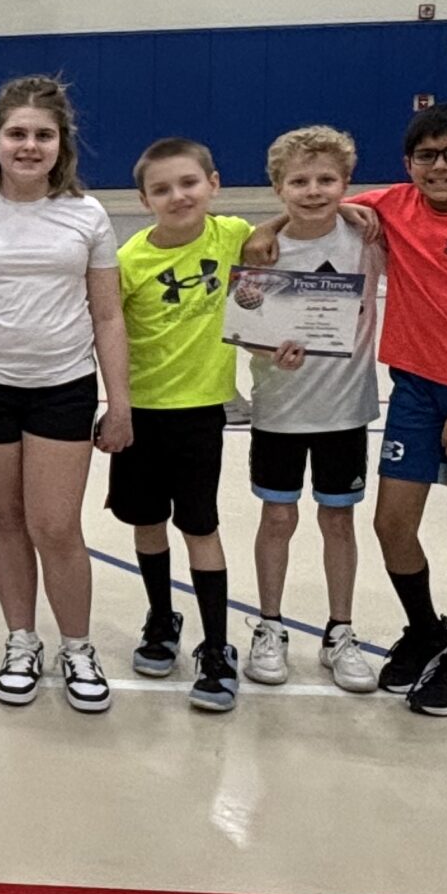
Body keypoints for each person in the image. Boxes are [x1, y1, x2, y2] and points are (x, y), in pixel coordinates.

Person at [247, 105, 447, 717]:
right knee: (391, 524)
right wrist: (265, 228)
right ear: (408, 164)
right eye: (427, 156)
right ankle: (427, 632)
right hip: (415, 392)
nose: (441, 167)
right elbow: (313, 200)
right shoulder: (391, 208)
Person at [0, 77, 127, 714]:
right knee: (8, 522)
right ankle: (21, 640)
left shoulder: (88, 214)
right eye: (16, 133)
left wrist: (119, 402)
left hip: (63, 388)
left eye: (42, 135)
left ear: (61, 143)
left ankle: (77, 646)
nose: (29, 145)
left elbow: (107, 315)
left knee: (56, 526)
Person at [109, 137, 251, 712]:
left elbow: (298, 220)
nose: (178, 196)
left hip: (200, 414)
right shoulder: (129, 262)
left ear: (213, 184)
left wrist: (356, 209)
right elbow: (109, 334)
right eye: (162, 189)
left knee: (199, 527)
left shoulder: (233, 235)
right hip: (142, 413)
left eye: (189, 183)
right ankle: (162, 617)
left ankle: (217, 647)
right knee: (147, 522)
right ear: (144, 201)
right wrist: (115, 406)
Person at [242, 125, 382, 695]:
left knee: (338, 520)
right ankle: (269, 626)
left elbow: (420, 209)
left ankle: (340, 632)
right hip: (280, 409)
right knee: (277, 518)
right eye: (299, 182)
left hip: (345, 410)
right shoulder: (261, 248)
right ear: (278, 188)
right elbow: (247, 327)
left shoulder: (367, 238)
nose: (314, 191)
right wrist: (269, 350)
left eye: (327, 180)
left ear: (346, 184)